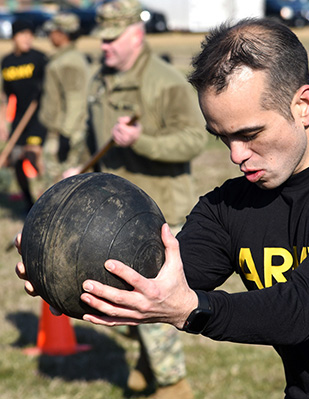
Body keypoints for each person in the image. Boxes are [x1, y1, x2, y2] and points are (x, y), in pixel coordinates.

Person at [17, 17, 309, 398]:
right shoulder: (230, 206)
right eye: (222, 137)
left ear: (303, 105)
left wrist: (191, 310)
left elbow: (301, 308)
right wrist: (60, 265)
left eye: (249, 134)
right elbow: (151, 280)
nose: (236, 155)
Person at [62, 1, 207, 398]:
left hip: (156, 214)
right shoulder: (99, 80)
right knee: (123, 304)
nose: (104, 46)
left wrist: (141, 142)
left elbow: (194, 139)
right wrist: (75, 168)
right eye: (102, 38)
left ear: (136, 35)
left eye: (112, 39)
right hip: (110, 216)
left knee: (148, 301)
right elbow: (86, 139)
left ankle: (174, 385)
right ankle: (147, 366)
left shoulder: (166, 82)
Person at [0, 19, 48, 212]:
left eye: (30, 34)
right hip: (20, 119)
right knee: (17, 160)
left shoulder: (40, 58)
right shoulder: (7, 62)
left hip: (39, 118)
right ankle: (29, 202)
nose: (28, 39)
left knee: (34, 155)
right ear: (14, 37)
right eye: (23, 34)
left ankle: (46, 200)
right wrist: (3, 122)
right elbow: (6, 95)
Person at [39, 12, 90, 188]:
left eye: (51, 31)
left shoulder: (69, 62)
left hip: (65, 132)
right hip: (58, 130)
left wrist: (66, 136)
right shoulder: (63, 58)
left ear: (62, 33)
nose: (49, 36)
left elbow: (75, 100)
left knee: (61, 186)